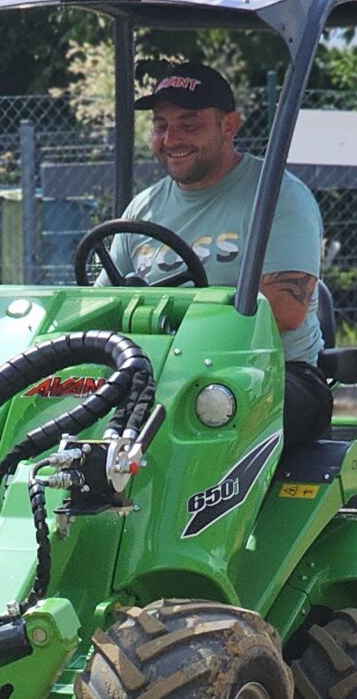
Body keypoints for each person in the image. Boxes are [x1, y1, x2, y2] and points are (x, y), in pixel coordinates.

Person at [119, 61, 334, 452]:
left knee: (211, 406)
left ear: (230, 126)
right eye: (161, 125)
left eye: (189, 124)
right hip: (154, 373)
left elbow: (285, 310)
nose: (171, 139)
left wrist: (160, 320)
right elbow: (99, 301)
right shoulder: (141, 210)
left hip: (269, 371)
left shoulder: (279, 196)